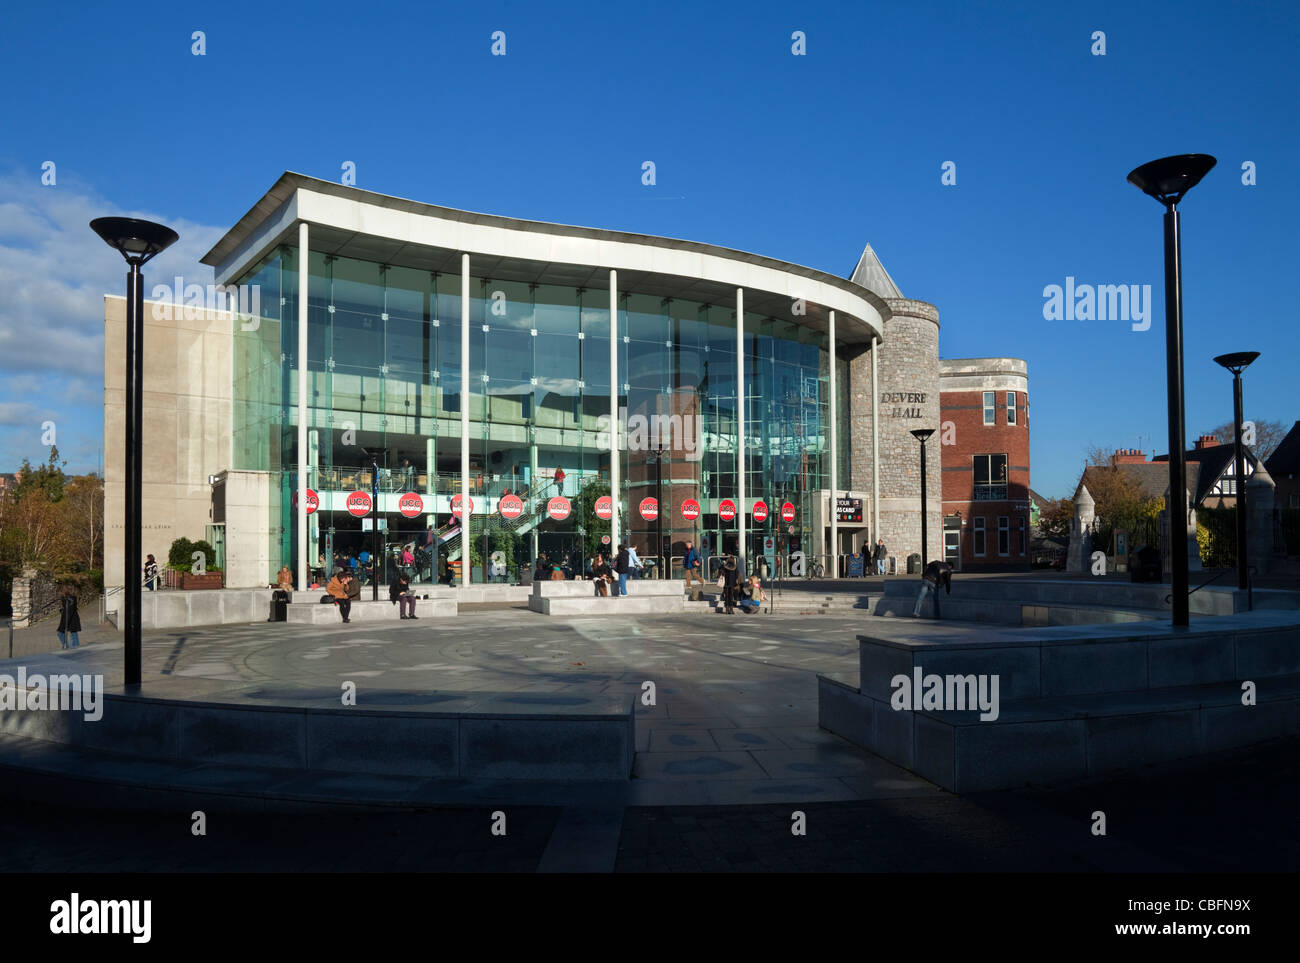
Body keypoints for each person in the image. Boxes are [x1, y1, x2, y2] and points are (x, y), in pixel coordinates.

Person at [56, 584, 81, 648]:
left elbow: (69, 610)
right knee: (74, 633)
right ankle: (75, 647)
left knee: (60, 633)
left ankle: (67, 646)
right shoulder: (71, 598)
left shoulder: (69, 599)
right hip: (73, 618)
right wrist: (62, 610)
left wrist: (65, 622)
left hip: (68, 618)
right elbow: (69, 608)